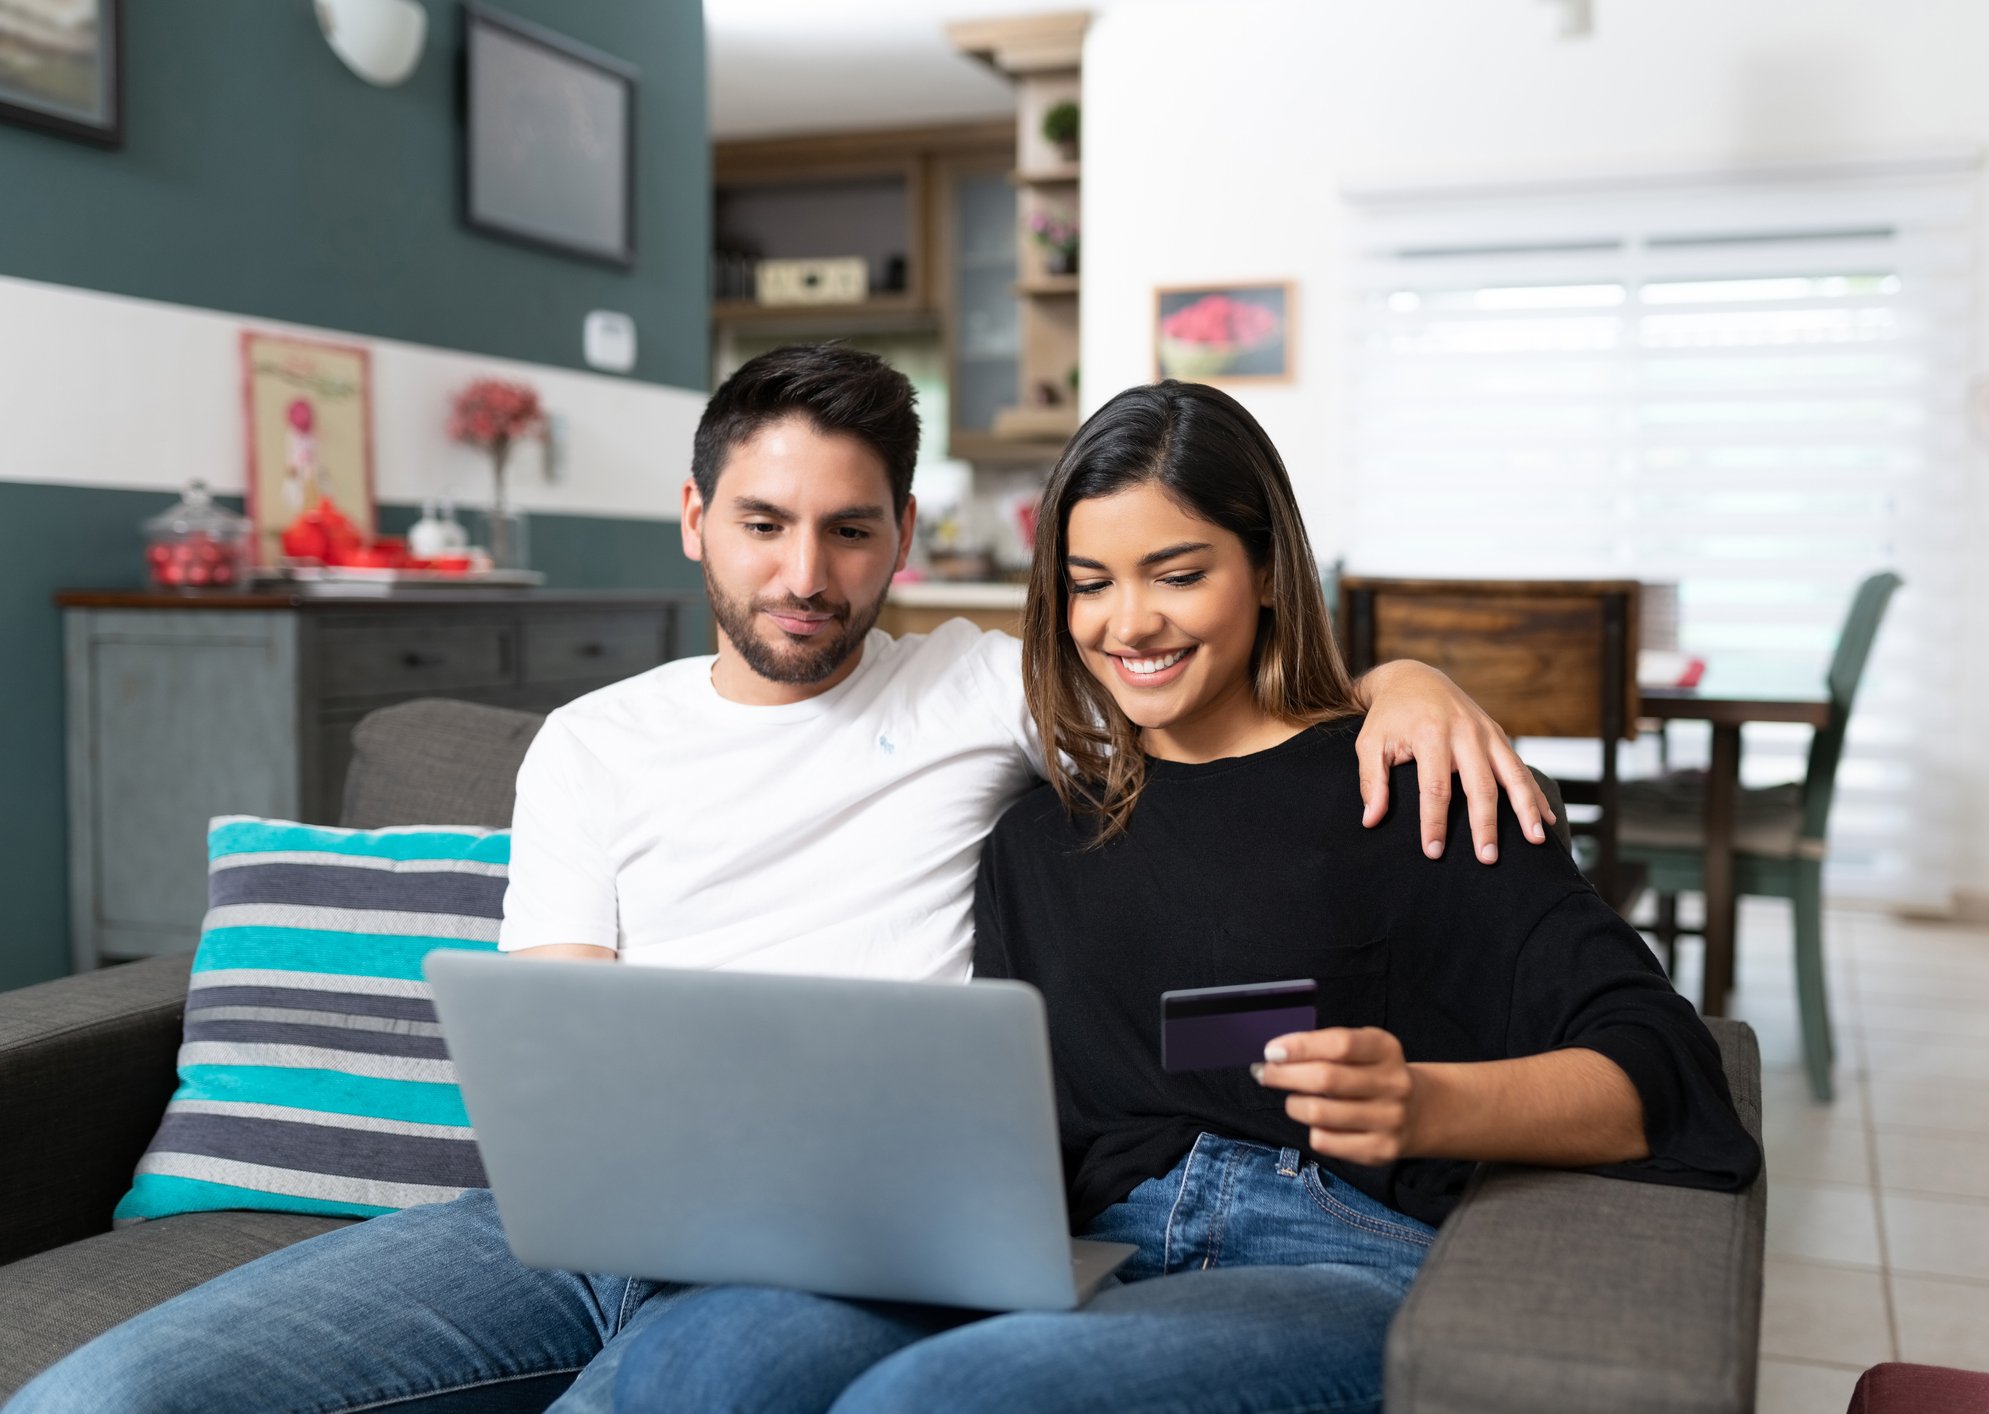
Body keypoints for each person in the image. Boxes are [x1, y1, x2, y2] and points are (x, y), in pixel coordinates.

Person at [5, 348, 1553, 1414]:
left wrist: (1405, 675)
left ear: (899, 548)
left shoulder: (989, 688)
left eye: (846, 531)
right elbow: (559, 1033)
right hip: (565, 1223)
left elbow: (1196, 674)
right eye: (762, 523)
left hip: (849, 1241)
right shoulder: (590, 748)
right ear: (698, 522)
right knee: (110, 1389)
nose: (802, 572)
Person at [604, 381, 1760, 1414]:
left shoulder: (1405, 782)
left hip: (1323, 1257)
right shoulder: (1033, 835)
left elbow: (1661, 1068)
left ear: (1264, 569)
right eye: (1090, 583)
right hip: (1079, 1256)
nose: (1129, 623)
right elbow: (1025, 1129)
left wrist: (1425, 1101)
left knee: (938, 1398)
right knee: (699, 1366)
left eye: (1178, 572)